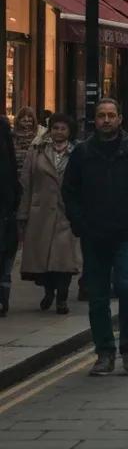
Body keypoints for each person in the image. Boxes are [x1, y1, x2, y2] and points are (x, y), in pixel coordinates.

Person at [62, 97, 128, 376]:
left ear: (119, 119)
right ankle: (104, 352)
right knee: (97, 296)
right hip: (94, 235)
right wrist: (80, 224)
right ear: (95, 120)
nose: (106, 120)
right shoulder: (82, 153)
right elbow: (70, 192)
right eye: (101, 115)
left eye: (111, 115)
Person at [17, 114, 81, 314]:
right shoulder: (37, 150)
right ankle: (48, 292)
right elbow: (26, 182)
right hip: (41, 212)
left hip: (66, 213)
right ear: (49, 130)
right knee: (44, 260)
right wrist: (23, 212)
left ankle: (62, 298)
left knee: (64, 260)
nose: (59, 132)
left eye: (63, 128)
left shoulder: (78, 153)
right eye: (55, 128)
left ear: (69, 132)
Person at [0, 112, 19, 317]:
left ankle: (2, 297)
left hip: (4, 204)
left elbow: (9, 166)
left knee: (4, 253)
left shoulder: (2, 127)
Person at [12, 106, 45, 176]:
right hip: (15, 174)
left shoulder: (40, 136)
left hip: (34, 175)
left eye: (29, 117)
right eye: (23, 117)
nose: (26, 119)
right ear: (18, 120)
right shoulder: (12, 136)